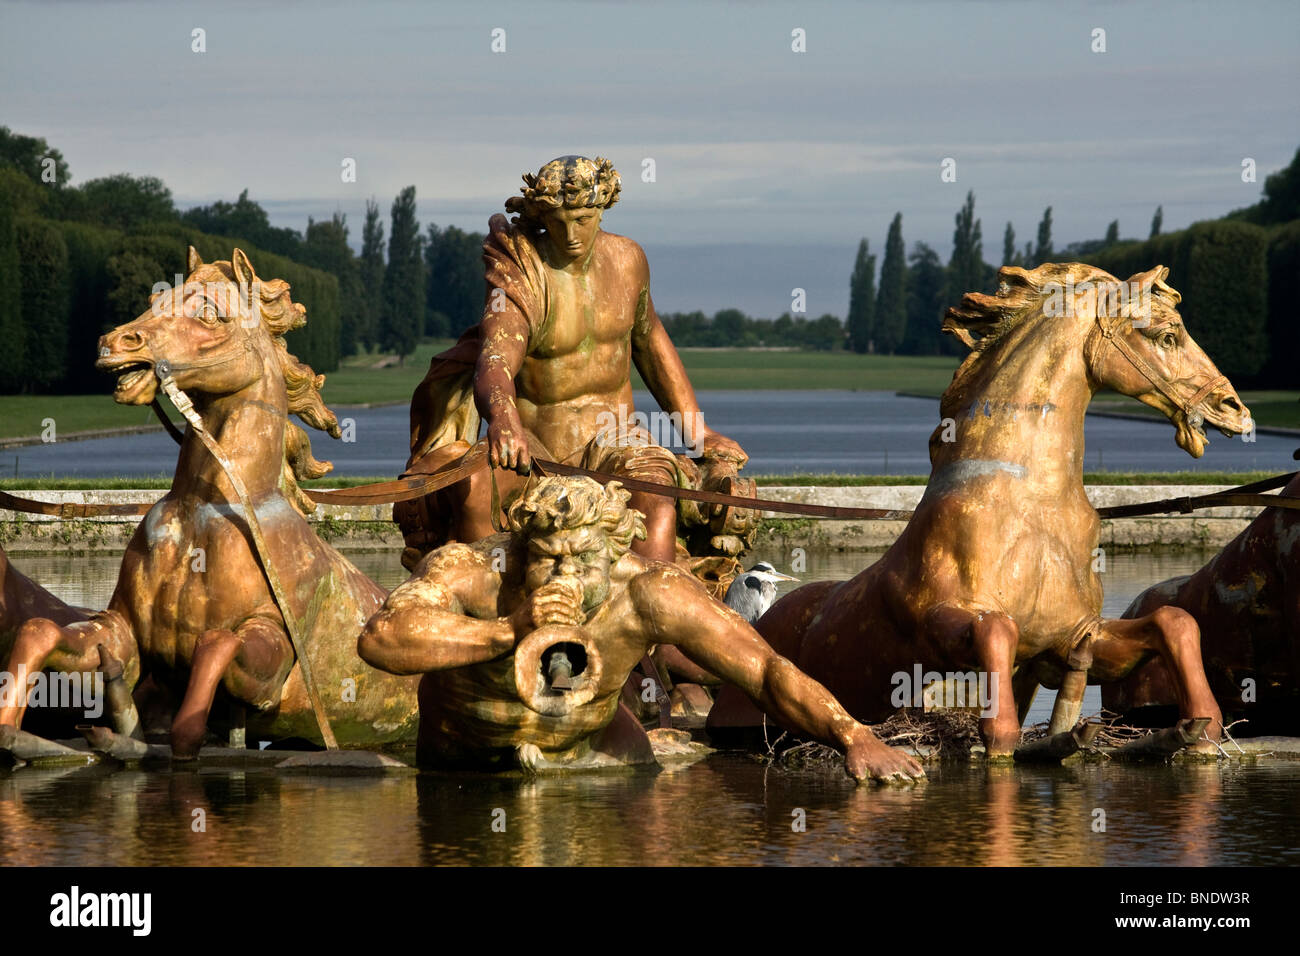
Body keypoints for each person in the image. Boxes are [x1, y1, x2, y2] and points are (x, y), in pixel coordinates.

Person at [360, 476, 926, 784]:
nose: (564, 577)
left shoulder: (649, 591)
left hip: (580, 773)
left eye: (582, 562)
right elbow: (383, 636)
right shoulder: (476, 571)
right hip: (461, 776)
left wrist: (854, 736)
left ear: (614, 553)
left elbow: (766, 670)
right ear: (517, 549)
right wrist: (508, 631)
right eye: (544, 559)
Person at [400, 156, 750, 573]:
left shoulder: (628, 261)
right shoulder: (522, 269)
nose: (570, 234)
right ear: (541, 215)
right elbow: (495, 360)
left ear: (602, 207)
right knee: (477, 485)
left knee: (655, 496)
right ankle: (485, 608)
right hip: (536, 445)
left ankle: (657, 622)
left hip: (615, 438)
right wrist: (503, 419)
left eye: (582, 218)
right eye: (558, 220)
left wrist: (697, 431)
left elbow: (651, 342)